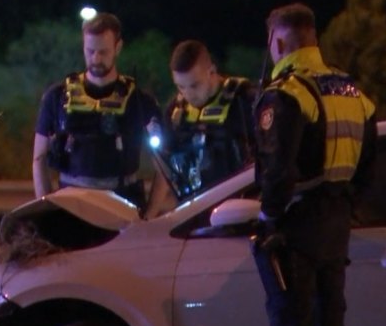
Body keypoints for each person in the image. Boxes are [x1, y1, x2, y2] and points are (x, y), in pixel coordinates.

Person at [252, 3, 376, 326]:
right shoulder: (352, 91)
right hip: (336, 223)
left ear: (280, 41)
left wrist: (268, 218)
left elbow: (276, 171)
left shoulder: (287, 93)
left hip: (296, 229)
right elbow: (369, 163)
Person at [32, 12, 161, 212]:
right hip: (72, 203)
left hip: (123, 202)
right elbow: (39, 158)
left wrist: (151, 215)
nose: (96, 58)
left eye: (103, 52)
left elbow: (165, 165)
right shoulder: (57, 97)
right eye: (90, 51)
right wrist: (47, 208)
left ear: (117, 48)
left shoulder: (139, 101)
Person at [156, 39, 257, 199]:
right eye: (180, 87)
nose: (188, 94)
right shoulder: (174, 111)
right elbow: (166, 171)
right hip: (196, 205)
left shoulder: (243, 101)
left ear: (212, 72)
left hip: (242, 204)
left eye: (194, 85)